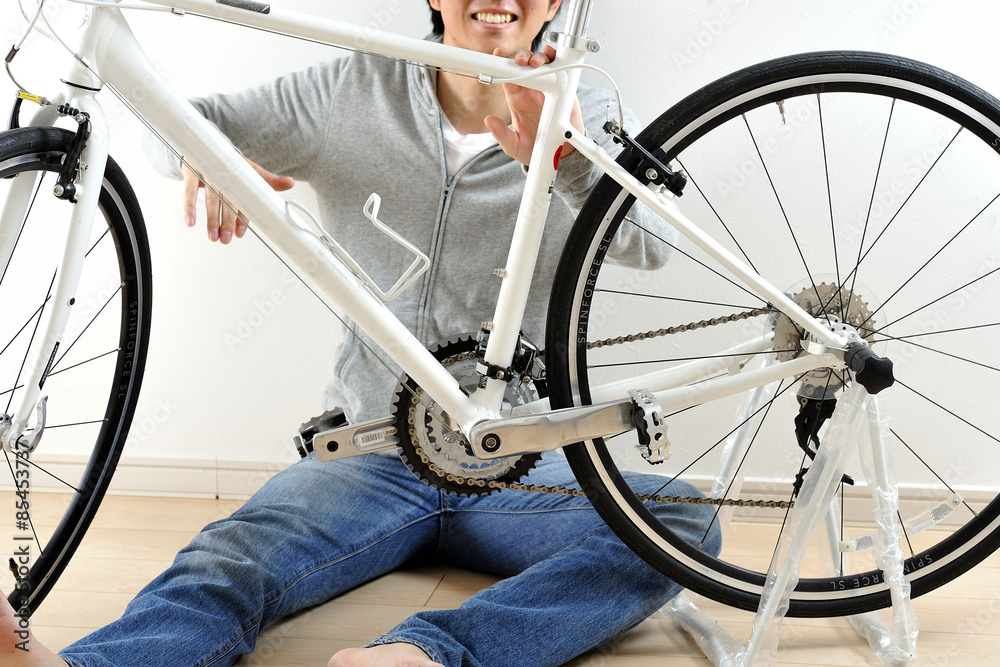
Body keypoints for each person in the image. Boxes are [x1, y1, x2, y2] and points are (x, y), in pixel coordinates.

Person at [2, 1, 721, 665]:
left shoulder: (583, 100)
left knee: (681, 525)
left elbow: (654, 244)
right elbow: (175, 121)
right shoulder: (355, 88)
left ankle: (428, 655)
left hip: (520, 463)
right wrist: (200, 155)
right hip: (370, 452)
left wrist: (563, 158)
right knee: (225, 564)